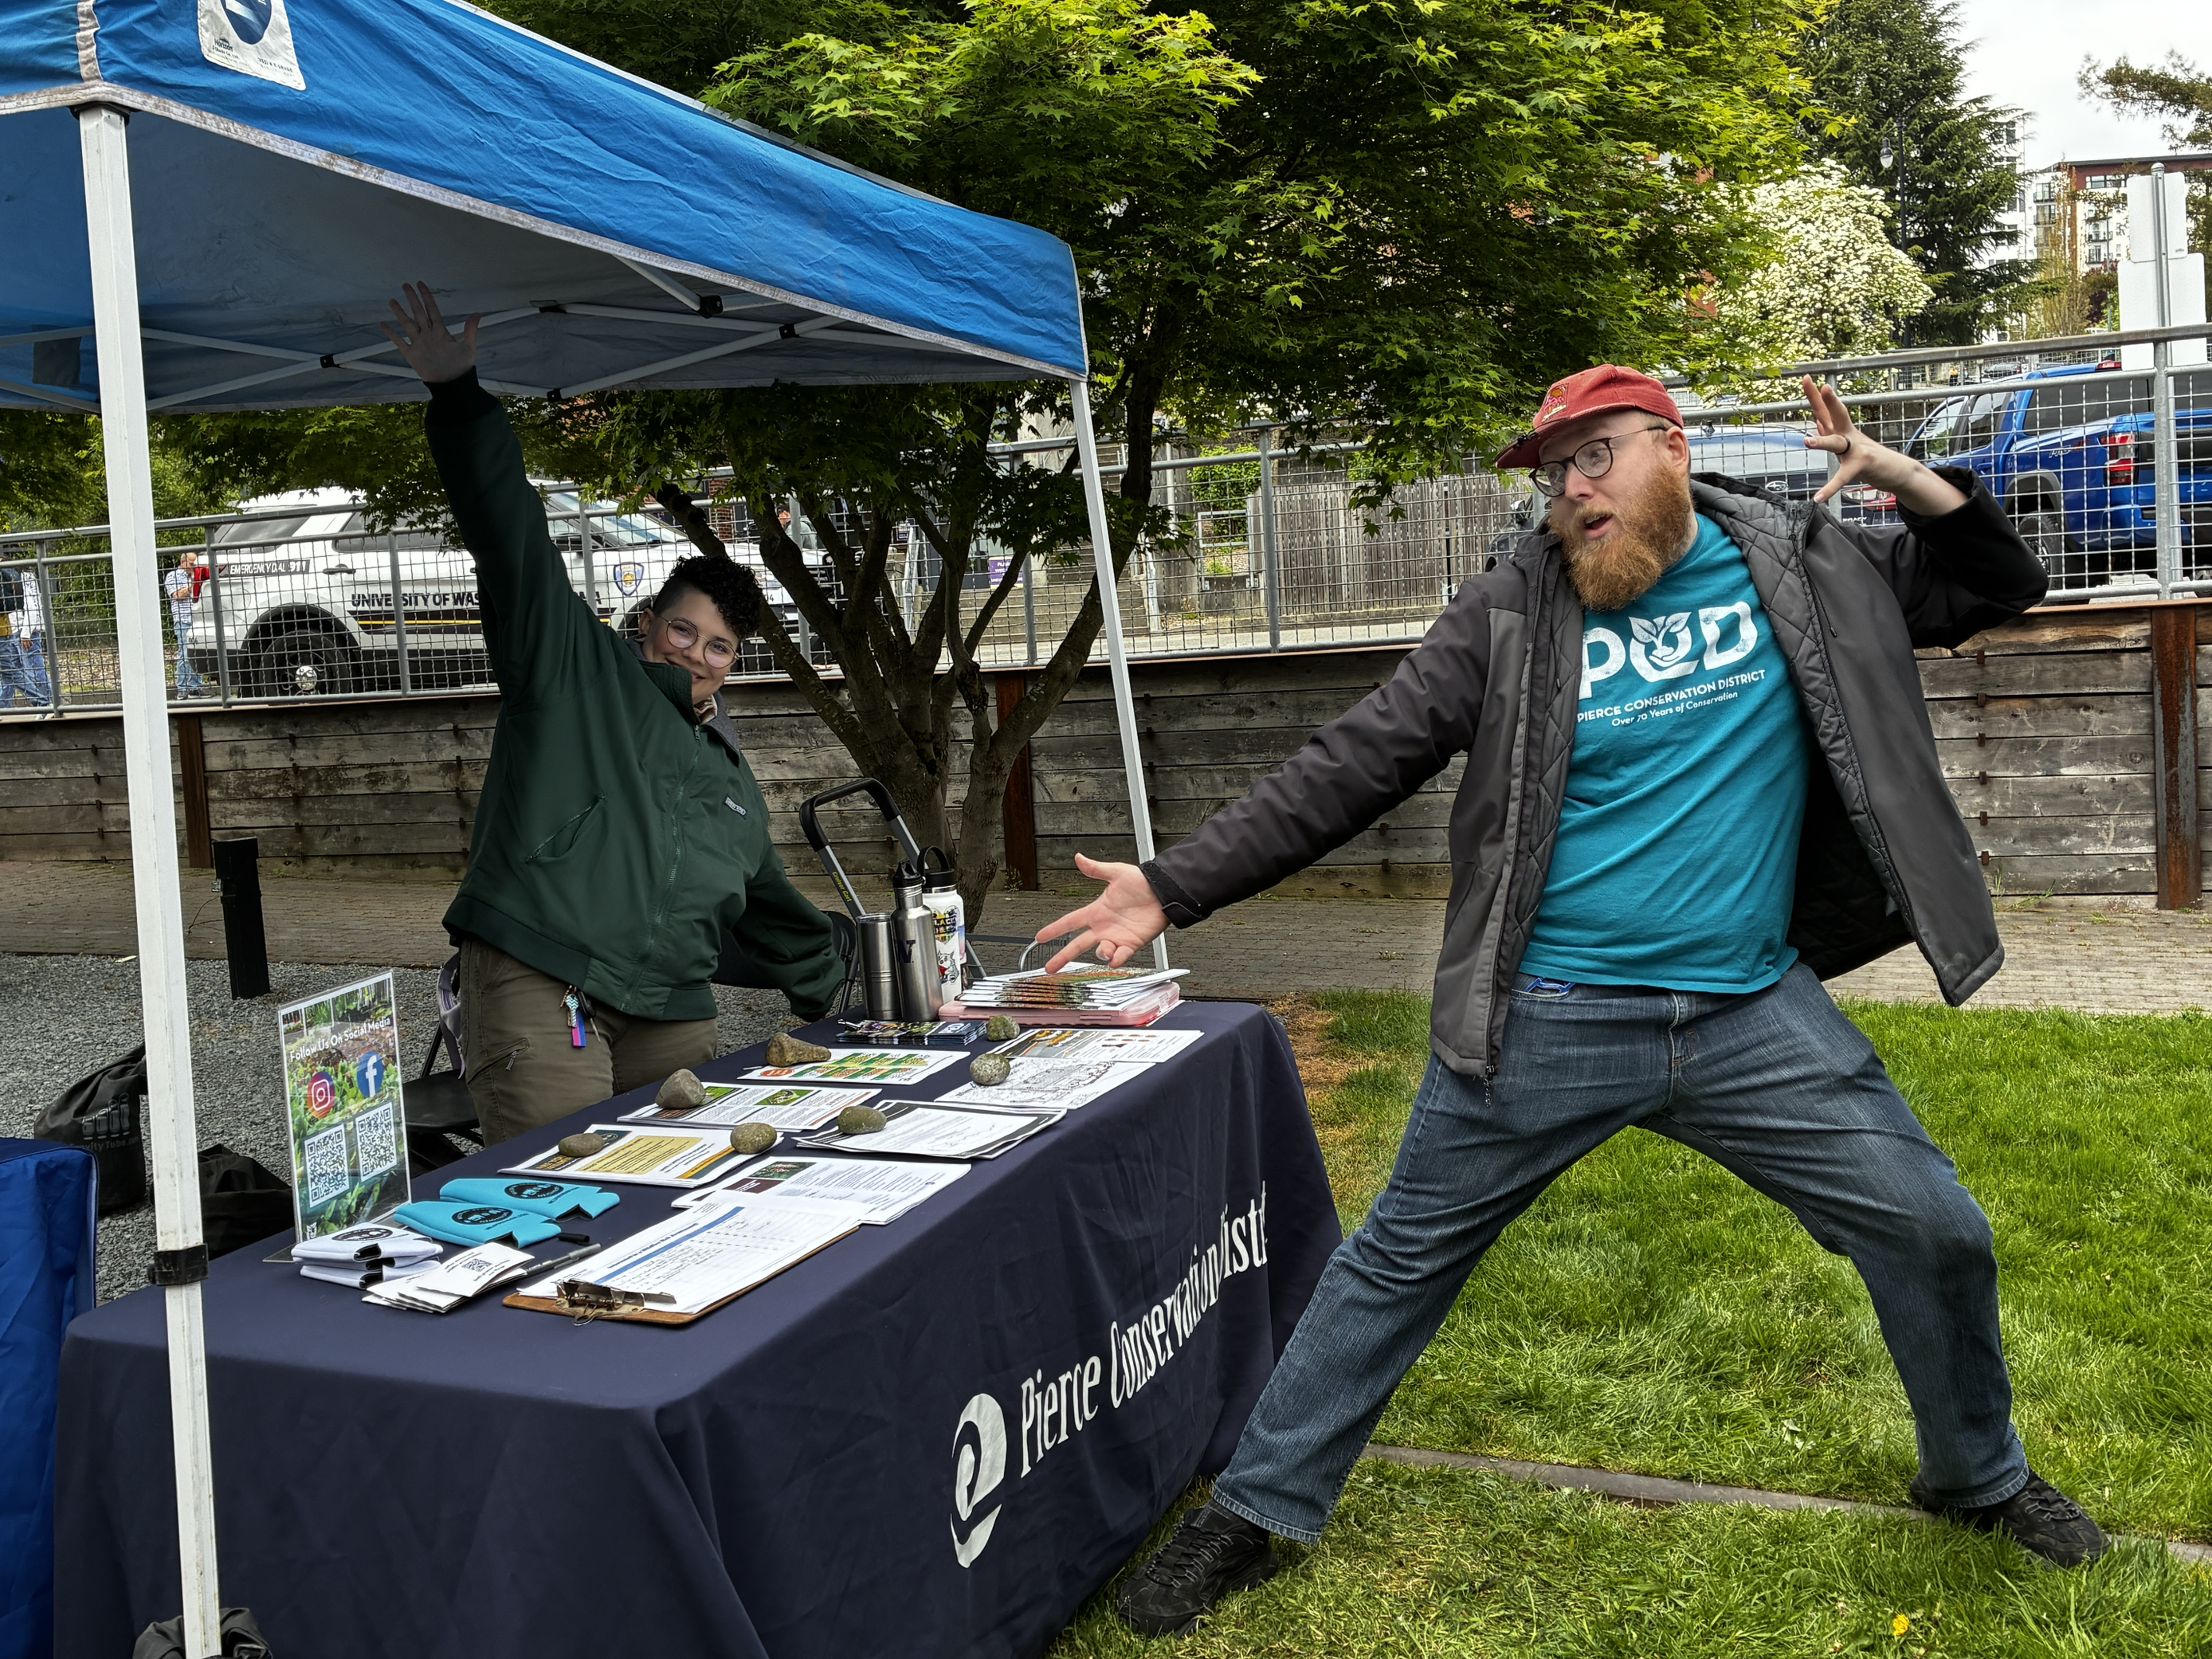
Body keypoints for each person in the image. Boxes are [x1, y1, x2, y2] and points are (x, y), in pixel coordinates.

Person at [1043, 363, 2106, 1634]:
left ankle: (1977, 1476)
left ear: (1670, 445)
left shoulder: (1811, 566)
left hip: (1747, 1013)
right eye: (1553, 472)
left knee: (1935, 1227)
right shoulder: (1510, 609)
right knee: (1396, 1261)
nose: (1570, 488)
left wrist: (1905, 479)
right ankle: (1255, 1509)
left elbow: (2000, 582)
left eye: (1594, 455)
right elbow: (1359, 755)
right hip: (1543, 1017)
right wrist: (1170, 884)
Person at [379, 282, 845, 1143]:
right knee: (572, 1192)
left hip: (669, 1004)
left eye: (718, 648)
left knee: (685, 1190)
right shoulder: (573, 670)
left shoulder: (725, 770)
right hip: (543, 976)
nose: (695, 655)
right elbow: (510, 539)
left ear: (732, 668)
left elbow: (770, 905)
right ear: (646, 625)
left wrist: (854, 1003)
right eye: (682, 629)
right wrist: (459, 396)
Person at [0, 560, 51, 708]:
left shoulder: (24, 577)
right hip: (14, 630)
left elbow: (32, 607)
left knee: (32, 670)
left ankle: (46, 702)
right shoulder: (13, 577)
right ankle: (4, 706)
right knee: (9, 672)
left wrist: (26, 633)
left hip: (24, 631)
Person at [163, 557, 208, 699]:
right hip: (183, 620)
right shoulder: (173, 576)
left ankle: (195, 687)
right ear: (182, 562)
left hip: (198, 620)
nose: (194, 566)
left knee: (197, 653)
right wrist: (193, 585)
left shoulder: (198, 574)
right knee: (185, 654)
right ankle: (182, 688)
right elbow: (176, 595)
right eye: (191, 564)